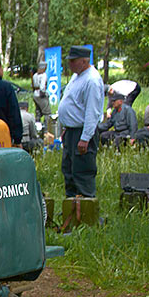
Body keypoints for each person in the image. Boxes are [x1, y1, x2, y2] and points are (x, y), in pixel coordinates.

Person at [58, 46, 104, 198]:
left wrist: (85, 137)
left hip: (82, 131)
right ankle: (71, 206)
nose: (70, 64)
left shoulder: (92, 80)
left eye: (73, 61)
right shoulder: (77, 76)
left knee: (82, 172)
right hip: (72, 131)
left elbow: (93, 112)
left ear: (84, 61)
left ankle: (86, 209)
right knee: (69, 170)